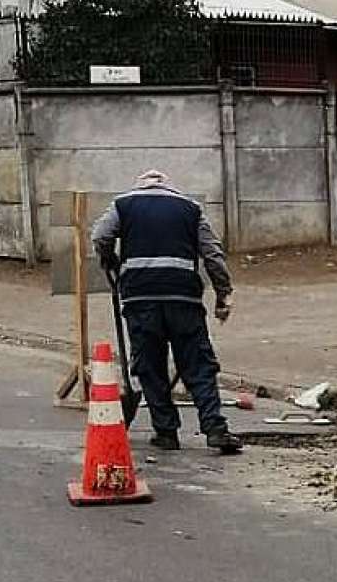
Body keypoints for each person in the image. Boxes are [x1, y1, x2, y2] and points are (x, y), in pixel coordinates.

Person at [92, 170, 243, 454]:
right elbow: (213, 254)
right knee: (198, 364)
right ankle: (215, 428)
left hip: (140, 297)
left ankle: (166, 431)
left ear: (140, 186)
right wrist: (223, 294)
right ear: (170, 188)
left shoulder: (123, 204)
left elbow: (100, 236)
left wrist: (109, 261)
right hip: (183, 297)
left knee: (150, 366)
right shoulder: (190, 208)